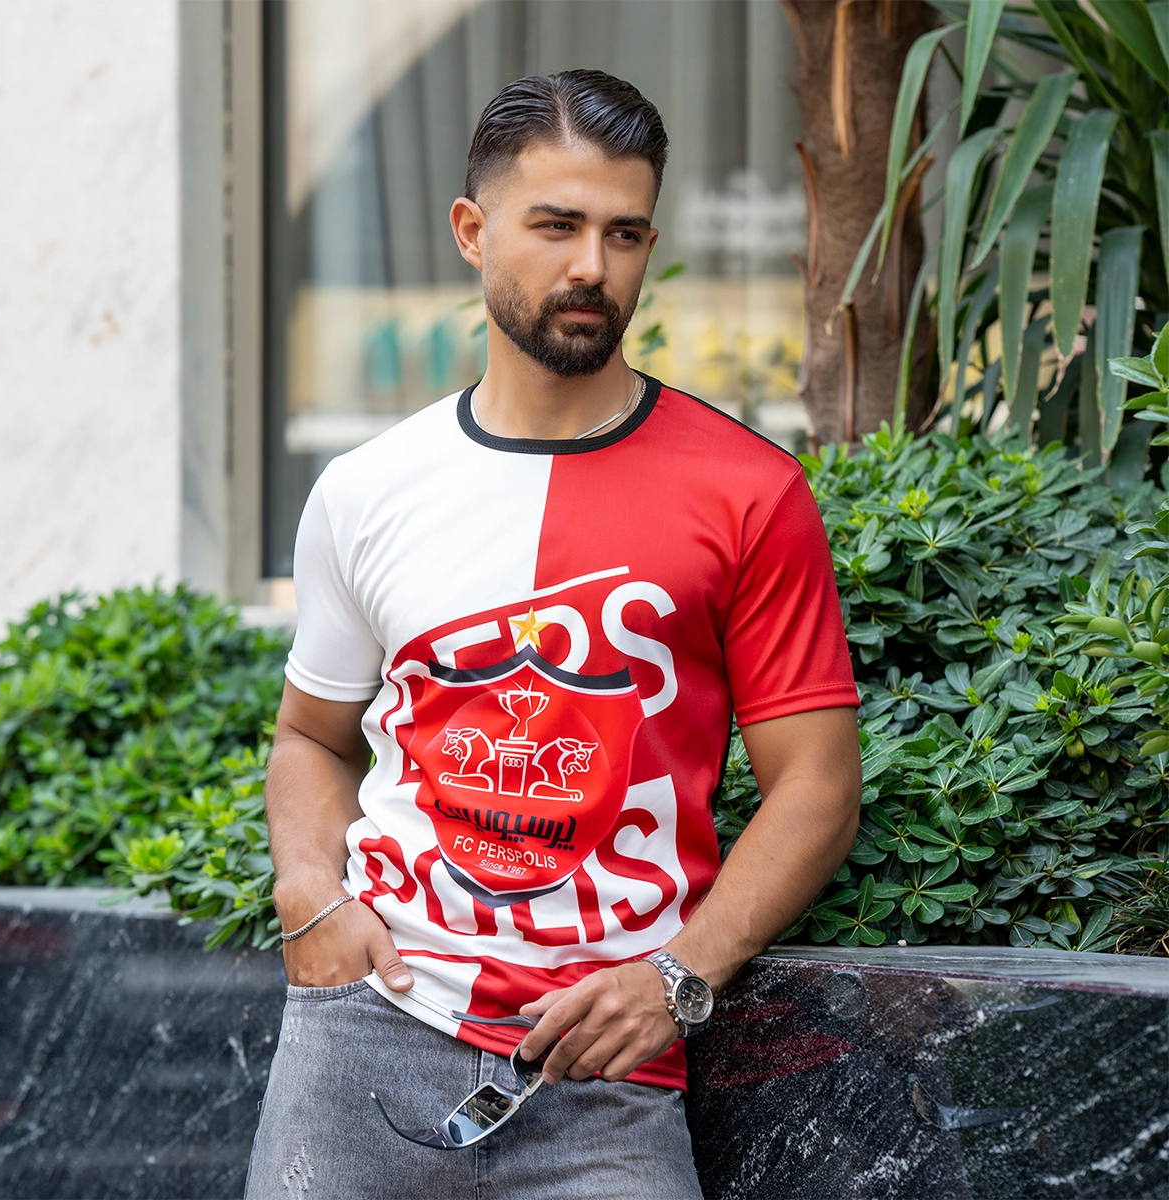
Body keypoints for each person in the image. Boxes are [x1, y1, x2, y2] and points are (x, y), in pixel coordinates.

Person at [244, 69, 862, 1200]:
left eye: (624, 234)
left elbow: (817, 786)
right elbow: (311, 737)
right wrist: (309, 896)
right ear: (472, 232)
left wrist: (678, 976)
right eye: (557, 225)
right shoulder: (366, 489)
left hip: (608, 1071)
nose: (592, 266)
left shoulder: (750, 492)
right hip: (368, 1033)